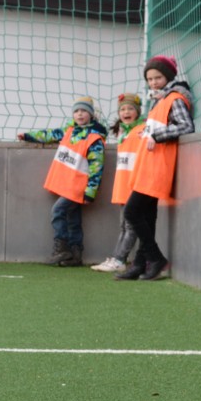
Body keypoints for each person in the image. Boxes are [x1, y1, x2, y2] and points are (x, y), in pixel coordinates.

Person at [116, 55, 194, 281]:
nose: (153, 83)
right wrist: (146, 133)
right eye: (149, 79)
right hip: (148, 165)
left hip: (158, 166)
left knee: (132, 212)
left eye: (158, 77)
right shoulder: (160, 101)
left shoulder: (175, 99)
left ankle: (155, 257)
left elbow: (186, 126)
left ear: (168, 76)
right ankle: (140, 264)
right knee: (147, 216)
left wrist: (157, 135)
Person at [19, 95, 106, 267]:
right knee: (73, 219)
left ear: (91, 115)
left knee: (57, 211)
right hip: (67, 185)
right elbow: (49, 135)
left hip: (78, 187)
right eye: (76, 111)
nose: (80, 114)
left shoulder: (94, 139)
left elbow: (97, 166)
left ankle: (62, 248)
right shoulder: (68, 131)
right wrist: (28, 136)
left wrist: (90, 191)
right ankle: (75, 254)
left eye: (83, 111)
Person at [91, 92, 145, 273]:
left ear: (138, 111)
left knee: (130, 225)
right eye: (123, 109)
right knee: (124, 225)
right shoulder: (124, 132)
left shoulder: (142, 131)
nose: (126, 112)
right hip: (123, 186)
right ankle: (117, 258)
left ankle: (120, 259)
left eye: (130, 108)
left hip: (134, 186)